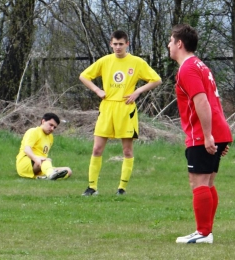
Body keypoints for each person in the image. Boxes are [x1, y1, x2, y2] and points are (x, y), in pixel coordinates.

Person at [168, 24, 233, 244]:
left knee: (199, 183)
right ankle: (206, 231)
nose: (168, 45)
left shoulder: (187, 68)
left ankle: (203, 233)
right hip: (218, 129)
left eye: (170, 40)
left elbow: (202, 101)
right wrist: (221, 134)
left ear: (179, 43)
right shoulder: (201, 65)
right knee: (207, 182)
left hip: (204, 133)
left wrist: (207, 136)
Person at [79, 30, 162, 196]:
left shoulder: (137, 62)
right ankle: (92, 187)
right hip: (107, 108)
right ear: (111, 44)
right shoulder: (105, 61)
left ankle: (122, 189)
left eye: (121, 44)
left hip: (126, 110)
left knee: (127, 151)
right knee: (97, 149)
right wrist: (97, 90)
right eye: (115, 44)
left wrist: (138, 91)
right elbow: (84, 76)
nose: (117, 47)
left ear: (127, 44)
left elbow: (156, 80)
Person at [16, 113, 72, 180]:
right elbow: (27, 150)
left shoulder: (50, 137)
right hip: (26, 163)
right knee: (45, 161)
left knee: (68, 171)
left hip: (40, 164)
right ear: (43, 121)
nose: (52, 129)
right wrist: (36, 159)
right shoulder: (33, 131)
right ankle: (50, 174)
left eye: (54, 127)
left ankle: (45, 177)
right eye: (51, 125)